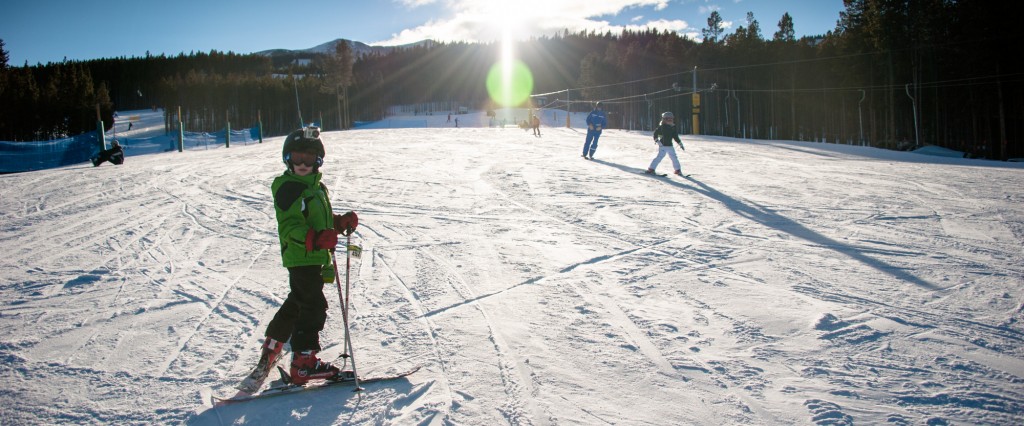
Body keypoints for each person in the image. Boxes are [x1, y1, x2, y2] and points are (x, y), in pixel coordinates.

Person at [238, 126, 360, 392]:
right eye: (296, 158)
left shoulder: (316, 187)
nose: (302, 164)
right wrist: (315, 239)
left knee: (298, 301)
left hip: (313, 256)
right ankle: (303, 362)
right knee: (313, 305)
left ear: (318, 160)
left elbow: (319, 221)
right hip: (301, 256)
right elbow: (290, 226)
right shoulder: (288, 188)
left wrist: (338, 223)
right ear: (287, 158)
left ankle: (273, 346)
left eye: (309, 158)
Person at [646, 111, 685, 176]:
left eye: (671, 119)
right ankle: (651, 169)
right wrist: (657, 141)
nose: (670, 120)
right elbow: (655, 134)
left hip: (670, 146)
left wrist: (680, 143)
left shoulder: (673, 127)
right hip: (663, 146)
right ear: (664, 119)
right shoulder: (662, 127)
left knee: (674, 158)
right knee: (659, 157)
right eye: (668, 119)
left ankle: (677, 170)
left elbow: (675, 137)